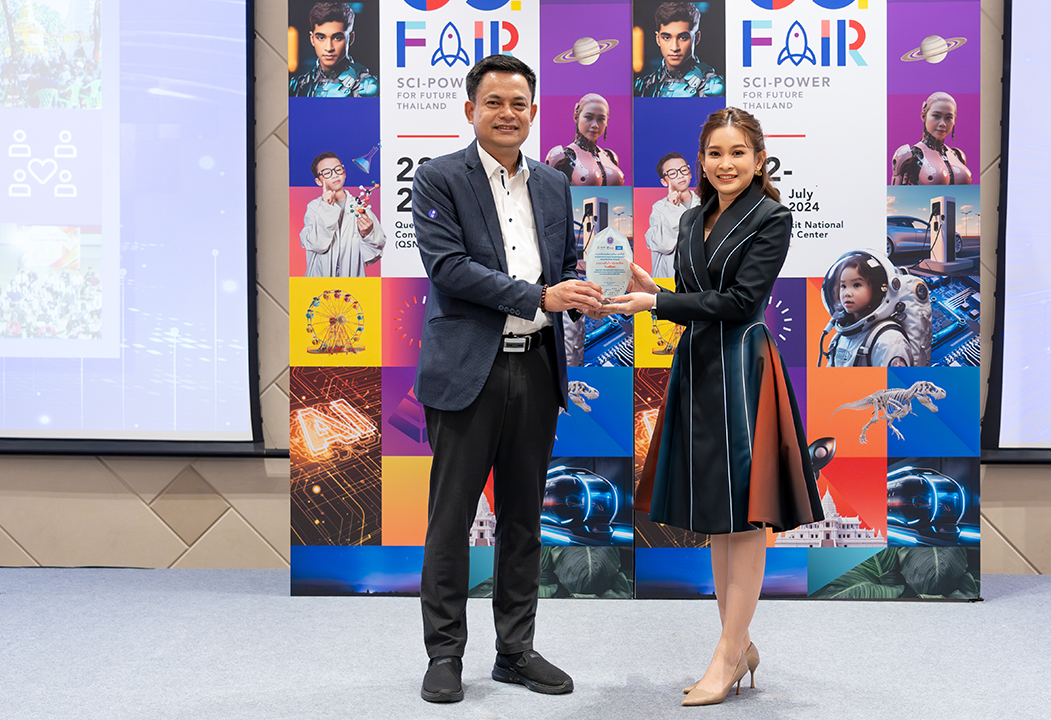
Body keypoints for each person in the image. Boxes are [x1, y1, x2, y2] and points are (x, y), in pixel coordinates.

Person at [608, 108, 824, 706]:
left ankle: (727, 655)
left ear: (759, 159)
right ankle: (739, 644)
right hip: (699, 365)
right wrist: (651, 290)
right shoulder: (688, 219)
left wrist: (657, 304)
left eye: (737, 153)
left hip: (743, 369)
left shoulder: (772, 217)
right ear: (701, 160)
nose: (725, 164)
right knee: (718, 515)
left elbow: (739, 302)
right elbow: (692, 297)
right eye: (714, 153)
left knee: (745, 515)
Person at [409, 54, 605, 705]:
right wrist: (541, 296)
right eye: (494, 102)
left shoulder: (552, 182)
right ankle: (445, 654)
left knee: (523, 520)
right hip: (469, 370)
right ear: (471, 110)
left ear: (534, 112)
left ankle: (515, 652)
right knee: (451, 519)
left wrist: (589, 287)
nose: (507, 114)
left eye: (519, 103)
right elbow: (449, 268)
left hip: (538, 367)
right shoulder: (438, 177)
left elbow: (566, 262)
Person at [816, 250, 916, 367]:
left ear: (876, 290)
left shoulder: (889, 341)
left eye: (857, 285)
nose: (847, 293)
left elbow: (892, 379)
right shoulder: (840, 337)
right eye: (843, 286)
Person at [299, 152, 386, 277]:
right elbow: (317, 244)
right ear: (318, 181)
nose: (334, 175)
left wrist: (367, 234)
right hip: (320, 282)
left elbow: (374, 252)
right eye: (327, 172)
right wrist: (326, 208)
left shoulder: (360, 207)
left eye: (338, 169)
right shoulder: (314, 207)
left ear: (344, 173)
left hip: (352, 282)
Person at [634, 2, 724, 97]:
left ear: (697, 38)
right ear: (658, 39)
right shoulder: (643, 85)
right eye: (667, 38)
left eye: (682, 38)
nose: (674, 48)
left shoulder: (711, 86)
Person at [289, 2, 378, 97]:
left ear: (351, 38)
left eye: (337, 38)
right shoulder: (298, 85)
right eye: (321, 38)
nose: (329, 48)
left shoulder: (365, 87)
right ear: (312, 39)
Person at [891, 92, 971, 185]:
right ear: (924, 116)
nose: (943, 123)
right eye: (936, 116)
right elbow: (897, 192)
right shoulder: (910, 156)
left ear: (954, 120)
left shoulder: (957, 155)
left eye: (949, 117)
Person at [545, 93, 625, 186]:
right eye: (589, 117)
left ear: (607, 121)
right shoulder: (562, 157)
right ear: (576, 117)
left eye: (601, 119)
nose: (595, 125)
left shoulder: (610, 157)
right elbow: (549, 191)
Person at [645, 152, 700, 278]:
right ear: (664, 182)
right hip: (667, 279)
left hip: (695, 279)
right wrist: (671, 208)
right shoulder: (659, 208)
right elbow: (663, 245)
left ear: (690, 173)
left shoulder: (704, 204)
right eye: (672, 173)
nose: (680, 175)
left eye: (683, 170)